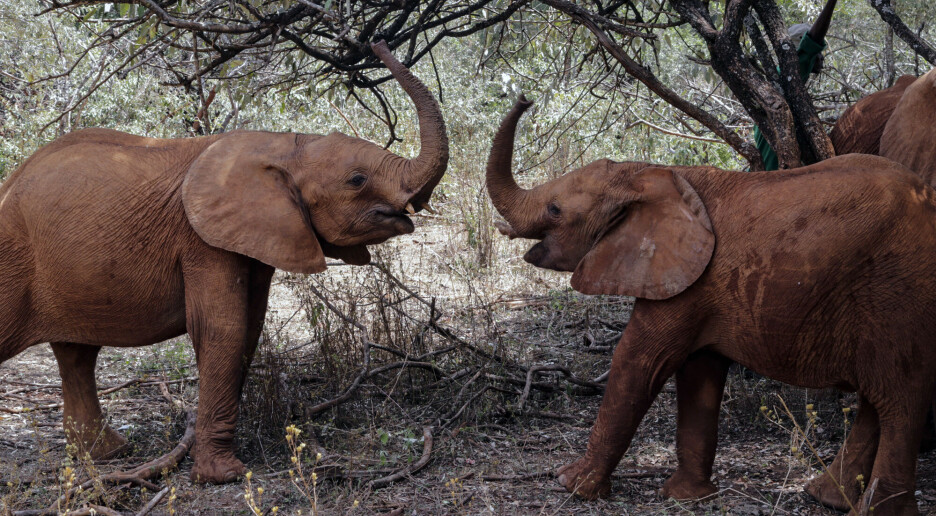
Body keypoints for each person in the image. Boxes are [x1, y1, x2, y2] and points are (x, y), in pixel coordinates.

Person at [753, 0, 837, 170]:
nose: (821, 57)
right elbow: (813, 40)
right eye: (817, 53)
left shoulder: (781, 79)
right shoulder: (789, 71)